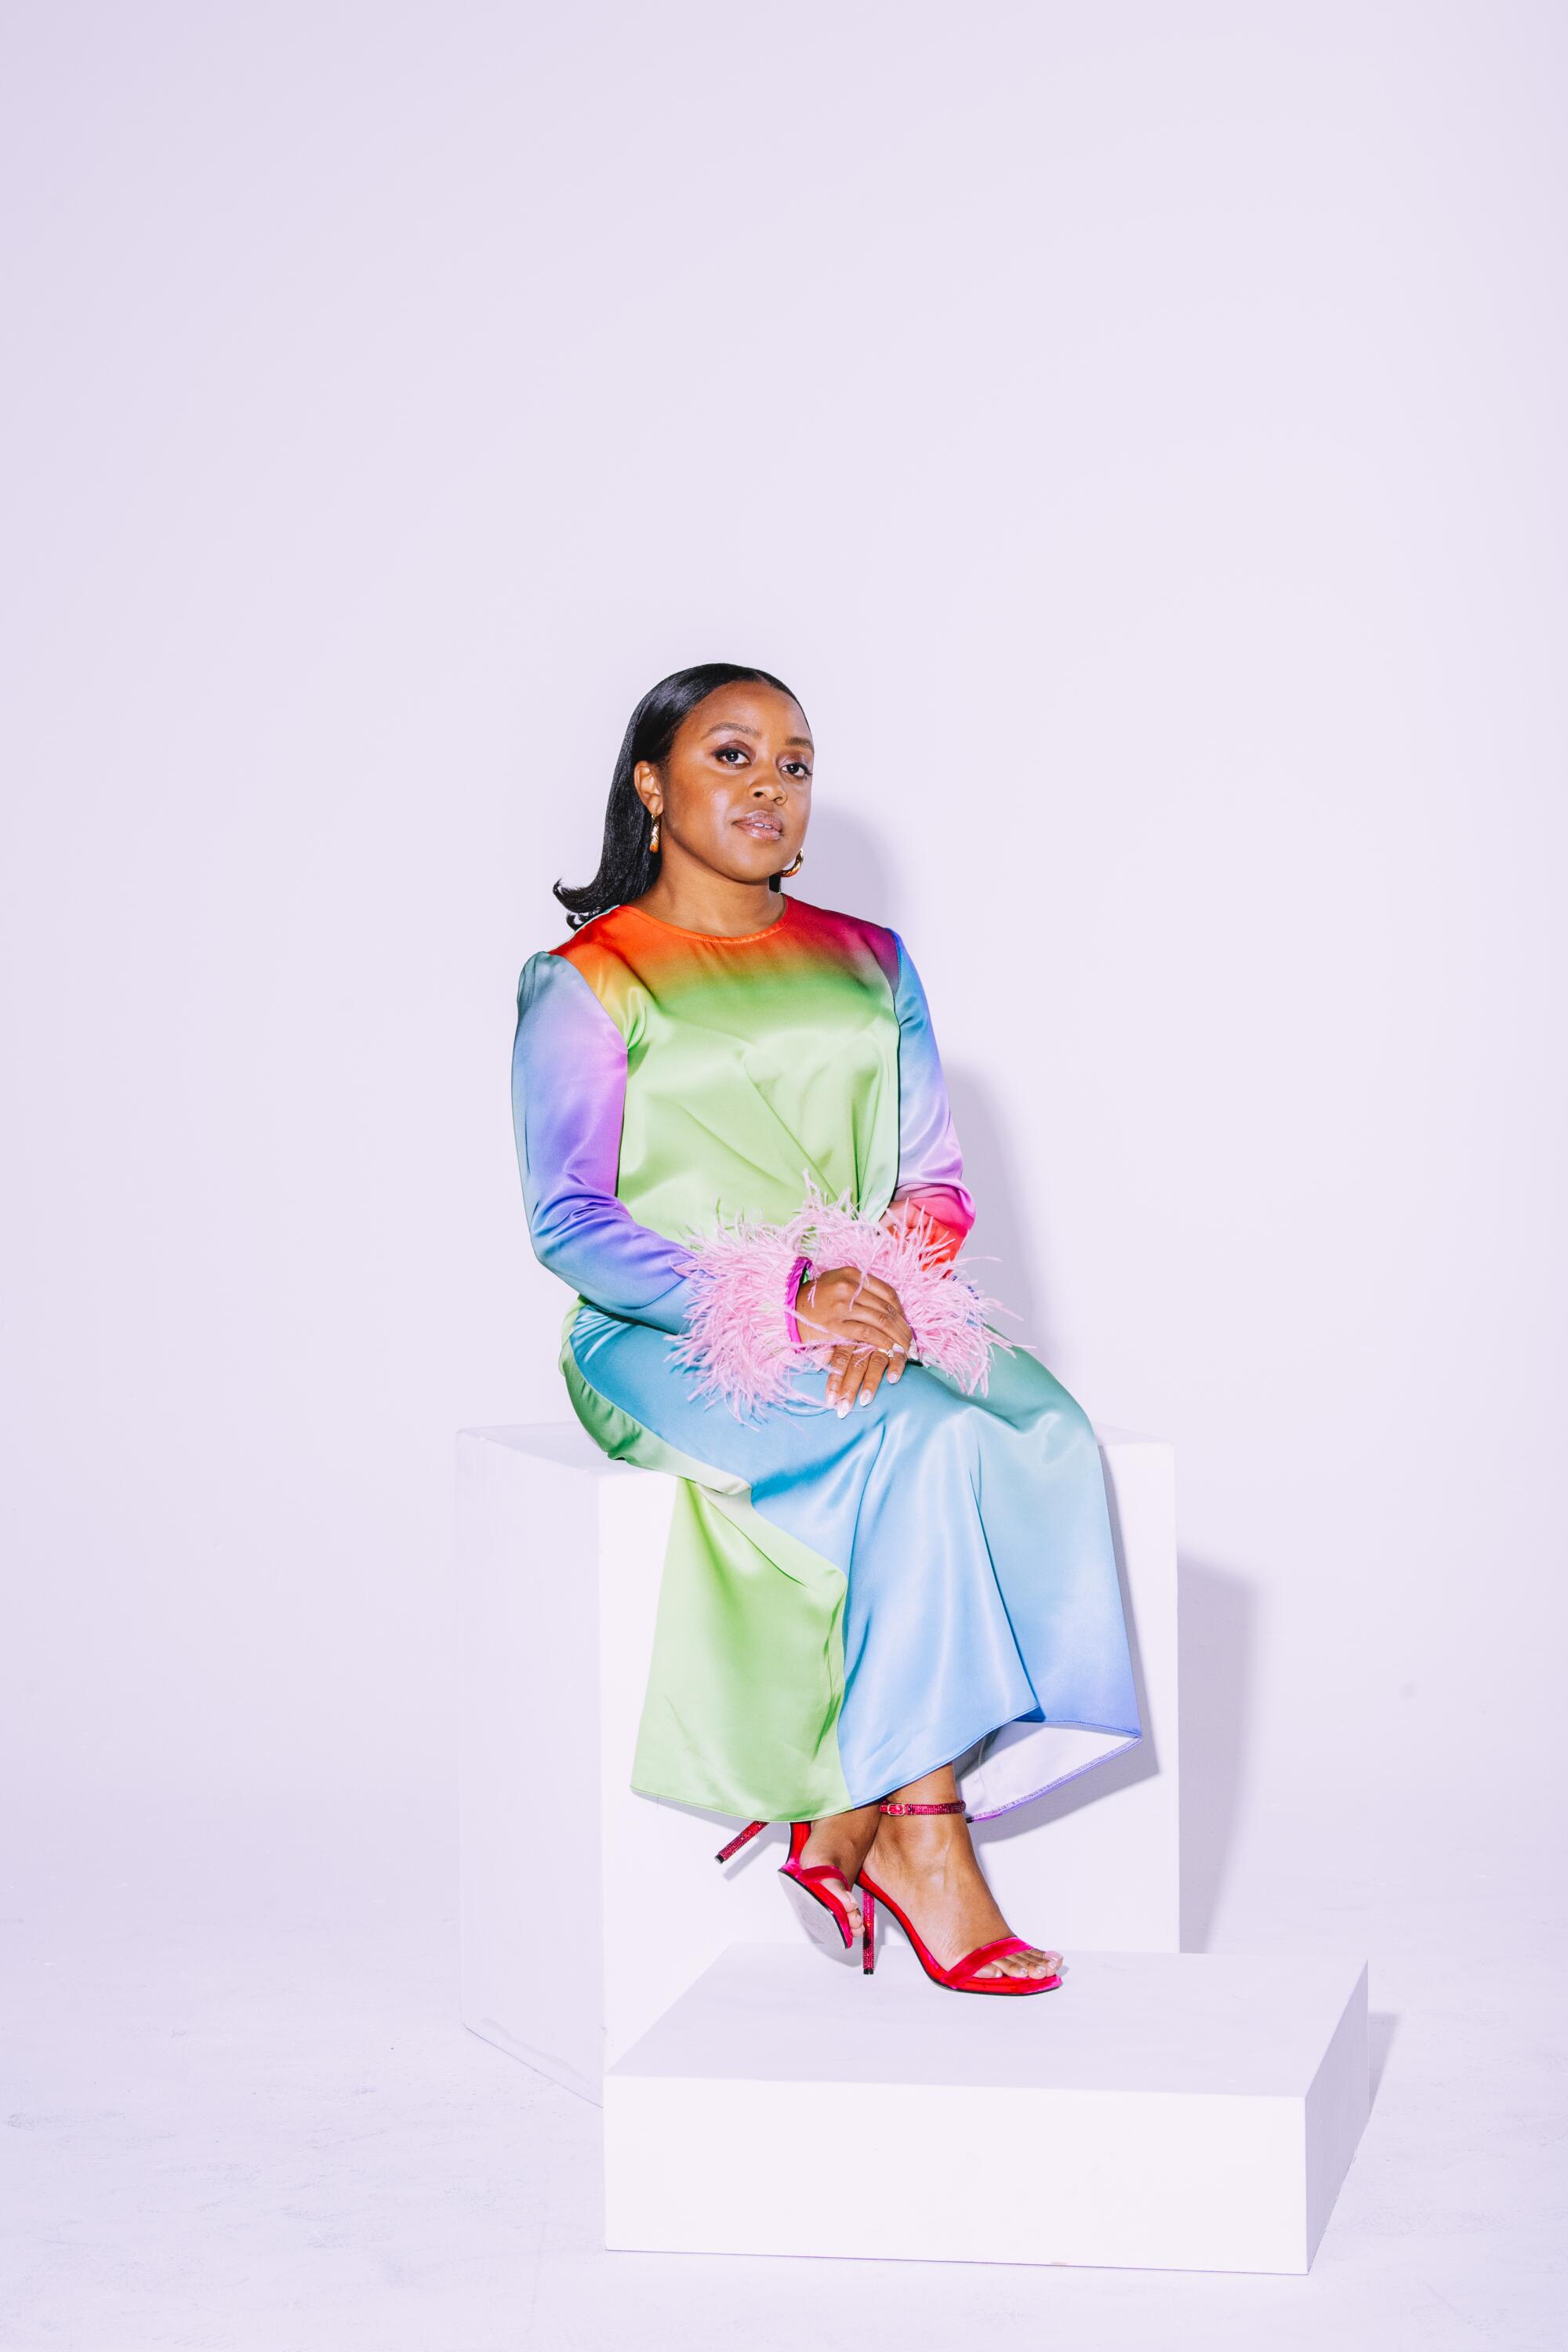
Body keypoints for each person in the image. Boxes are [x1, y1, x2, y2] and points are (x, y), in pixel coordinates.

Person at [510, 662, 1141, 1995]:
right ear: (650, 783)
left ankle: (847, 1810)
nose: (770, 787)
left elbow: (933, 1179)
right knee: (912, 1446)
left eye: (794, 764)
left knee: (1042, 1432)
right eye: (732, 756)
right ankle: (924, 1836)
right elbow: (567, 1219)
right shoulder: (589, 978)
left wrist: (883, 1290)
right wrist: (780, 1301)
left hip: (874, 1308)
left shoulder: (868, 963)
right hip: (664, 1331)